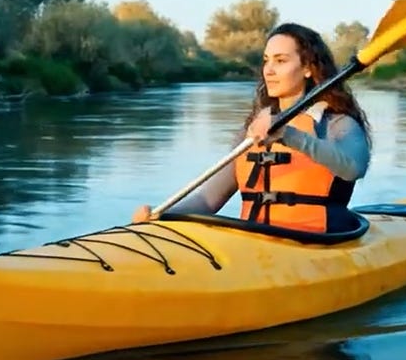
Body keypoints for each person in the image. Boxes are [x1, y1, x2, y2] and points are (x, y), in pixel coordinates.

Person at [131, 22, 372, 233]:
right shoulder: (252, 130)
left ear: (308, 67)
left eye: (281, 60)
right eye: (266, 60)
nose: (268, 70)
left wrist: (289, 136)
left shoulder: (336, 123)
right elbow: (208, 200)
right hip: (256, 246)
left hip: (319, 243)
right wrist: (162, 216)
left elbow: (353, 168)